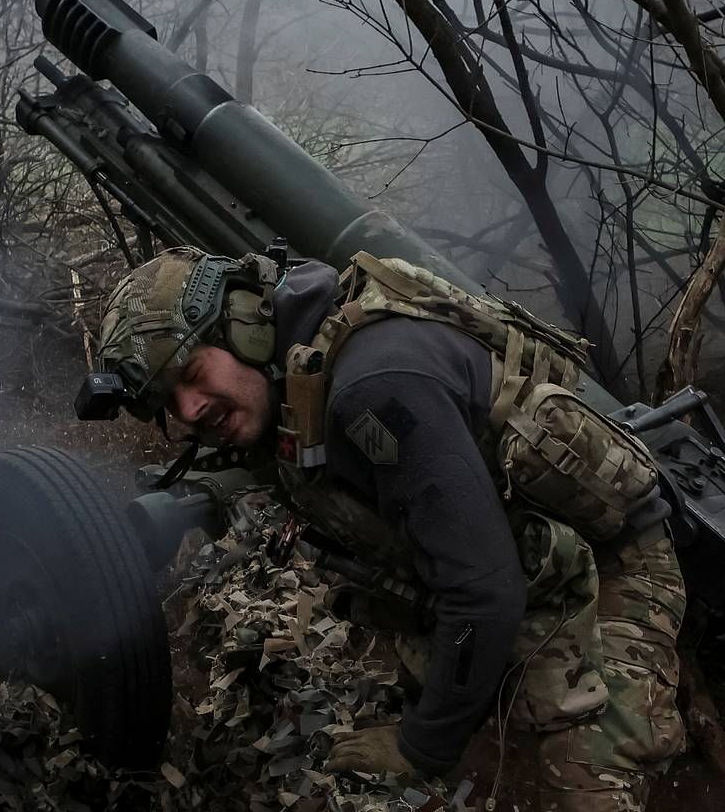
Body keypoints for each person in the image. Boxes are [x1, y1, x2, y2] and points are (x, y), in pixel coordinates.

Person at [91, 246, 685, 812]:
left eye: (192, 372)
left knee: (582, 787)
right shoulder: (299, 369)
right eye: (169, 402)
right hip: (522, 555)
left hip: (615, 561)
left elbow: (483, 590)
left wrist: (421, 748)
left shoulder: (373, 386)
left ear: (244, 326)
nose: (190, 410)